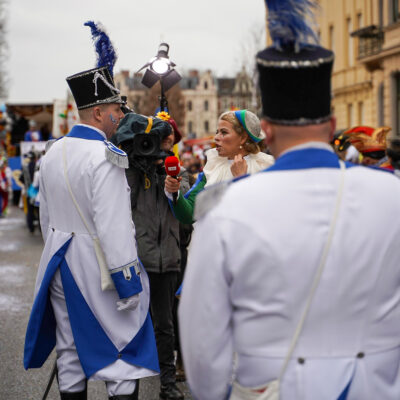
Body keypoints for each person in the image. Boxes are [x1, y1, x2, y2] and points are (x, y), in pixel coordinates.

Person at [178, 1, 400, 399]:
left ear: (266, 130)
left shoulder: (226, 208)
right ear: (333, 126)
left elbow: (202, 344)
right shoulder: (391, 195)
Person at [24, 23, 159, 400]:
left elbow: (46, 217)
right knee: (123, 351)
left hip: (59, 260)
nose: (121, 116)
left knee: (69, 352)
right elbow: (115, 227)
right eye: (116, 110)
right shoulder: (105, 157)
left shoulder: (53, 151)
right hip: (98, 268)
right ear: (98, 113)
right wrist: (128, 282)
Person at [112, 112, 190, 400]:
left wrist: (168, 179)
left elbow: (184, 205)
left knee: (165, 325)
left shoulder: (176, 170)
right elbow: (123, 200)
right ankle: (128, 380)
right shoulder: (129, 171)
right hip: (137, 259)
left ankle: (167, 384)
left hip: (167, 259)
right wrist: (138, 164)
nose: (156, 148)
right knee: (130, 324)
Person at [165, 110, 274, 224]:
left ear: (243, 138)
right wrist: (174, 192)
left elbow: (267, 214)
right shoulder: (212, 168)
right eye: (217, 132)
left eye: (224, 132)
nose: (216, 137)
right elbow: (189, 214)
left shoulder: (266, 167)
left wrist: (240, 179)